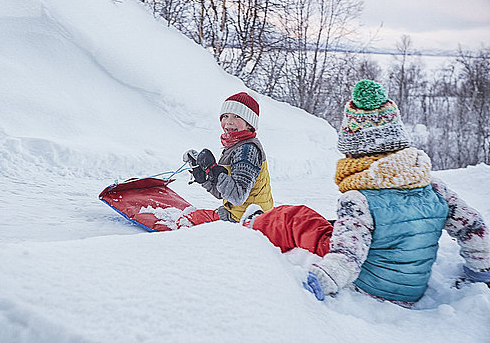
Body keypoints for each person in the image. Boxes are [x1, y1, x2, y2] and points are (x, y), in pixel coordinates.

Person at [295, 79, 490, 305]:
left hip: (370, 287)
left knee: (300, 219)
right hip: (413, 289)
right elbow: (474, 227)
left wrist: (319, 281)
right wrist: (481, 272)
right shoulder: (434, 187)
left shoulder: (358, 199)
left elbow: (347, 255)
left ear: (354, 150)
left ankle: (255, 228)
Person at [180, 92, 274, 225]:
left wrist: (214, 170)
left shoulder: (246, 150)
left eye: (237, 117)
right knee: (190, 217)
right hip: (239, 214)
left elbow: (237, 197)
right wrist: (205, 179)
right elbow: (223, 194)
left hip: (248, 221)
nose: (229, 122)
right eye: (225, 116)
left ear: (249, 123)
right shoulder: (235, 146)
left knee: (185, 221)